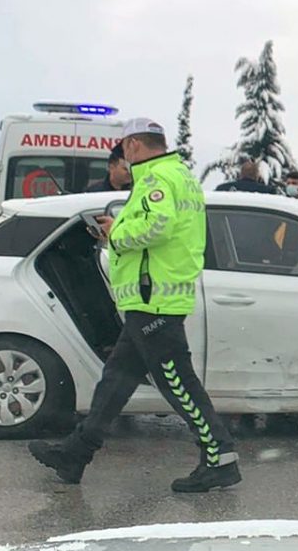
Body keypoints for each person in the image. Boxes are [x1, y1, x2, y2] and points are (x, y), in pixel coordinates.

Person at [28, 118, 240, 492]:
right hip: (153, 298)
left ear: (134, 145)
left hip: (154, 298)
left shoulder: (157, 179)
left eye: (124, 147)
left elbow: (156, 226)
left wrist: (116, 233)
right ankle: (76, 453)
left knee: (177, 382)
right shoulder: (177, 176)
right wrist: (118, 228)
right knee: (117, 379)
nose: (123, 155)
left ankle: (219, 457)